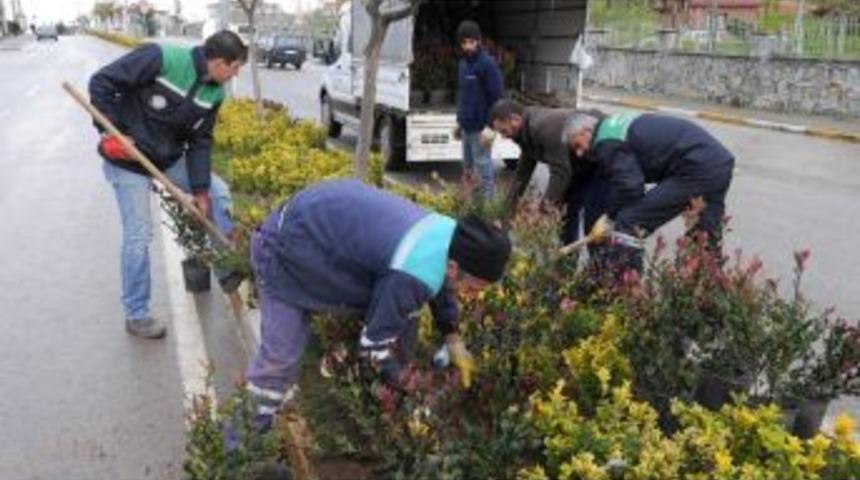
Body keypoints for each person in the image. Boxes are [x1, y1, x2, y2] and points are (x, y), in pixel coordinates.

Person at [246, 179, 512, 430]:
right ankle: (243, 447)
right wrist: (409, 387)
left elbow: (439, 285)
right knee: (279, 362)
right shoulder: (412, 273)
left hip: (320, 225)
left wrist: (453, 338)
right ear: (454, 267)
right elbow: (374, 348)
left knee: (403, 315)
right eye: (475, 288)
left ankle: (332, 398)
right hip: (287, 247)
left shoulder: (448, 238)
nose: (474, 296)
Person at [89, 30, 247, 339]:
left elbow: (200, 141)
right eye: (235, 67)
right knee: (139, 234)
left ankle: (227, 270)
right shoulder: (161, 58)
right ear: (218, 62)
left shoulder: (215, 93)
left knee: (218, 192)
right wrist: (112, 131)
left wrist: (199, 189)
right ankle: (137, 314)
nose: (236, 73)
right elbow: (101, 83)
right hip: (127, 157)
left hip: (165, 158)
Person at [563, 111, 735, 271]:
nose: (579, 154)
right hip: (717, 162)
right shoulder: (613, 125)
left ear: (586, 131)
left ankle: (625, 290)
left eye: (578, 145)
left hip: (694, 167)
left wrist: (609, 217)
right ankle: (707, 294)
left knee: (629, 221)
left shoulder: (605, 142)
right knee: (703, 238)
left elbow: (630, 187)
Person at [489, 99, 608, 244]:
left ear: (515, 119)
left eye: (504, 131)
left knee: (594, 216)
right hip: (579, 162)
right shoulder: (525, 134)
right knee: (566, 211)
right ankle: (567, 259)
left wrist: (541, 213)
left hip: (602, 155)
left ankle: (598, 263)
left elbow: (560, 173)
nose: (503, 136)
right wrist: (505, 214)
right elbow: (522, 174)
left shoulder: (543, 128)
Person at [455, 20, 504, 199]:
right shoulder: (463, 65)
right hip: (466, 127)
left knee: (484, 168)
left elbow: (497, 97)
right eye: (464, 42)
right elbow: (463, 95)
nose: (468, 46)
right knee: (467, 169)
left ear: (478, 41)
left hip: (481, 128)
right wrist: (459, 121)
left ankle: (488, 210)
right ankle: (472, 208)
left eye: (471, 42)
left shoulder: (487, 64)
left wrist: (491, 127)